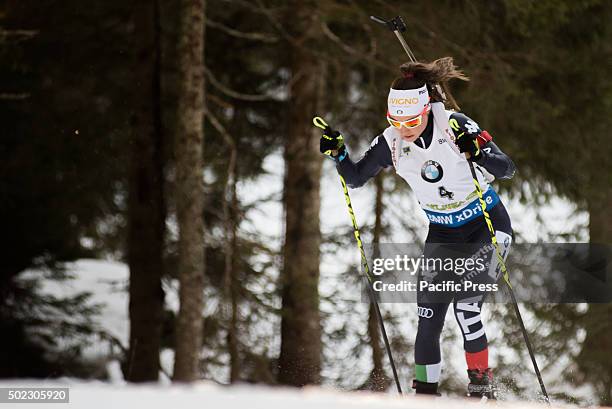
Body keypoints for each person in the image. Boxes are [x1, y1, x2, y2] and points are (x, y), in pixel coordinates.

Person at [318, 57, 516, 398]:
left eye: (411, 120)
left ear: (426, 110)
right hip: (442, 232)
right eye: (395, 120)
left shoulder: (455, 125)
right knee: (428, 316)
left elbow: (506, 168)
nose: (404, 128)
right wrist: (338, 153)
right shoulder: (392, 141)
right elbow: (356, 177)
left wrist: (478, 154)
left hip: (486, 226)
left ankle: (481, 392)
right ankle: (425, 396)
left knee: (466, 309)